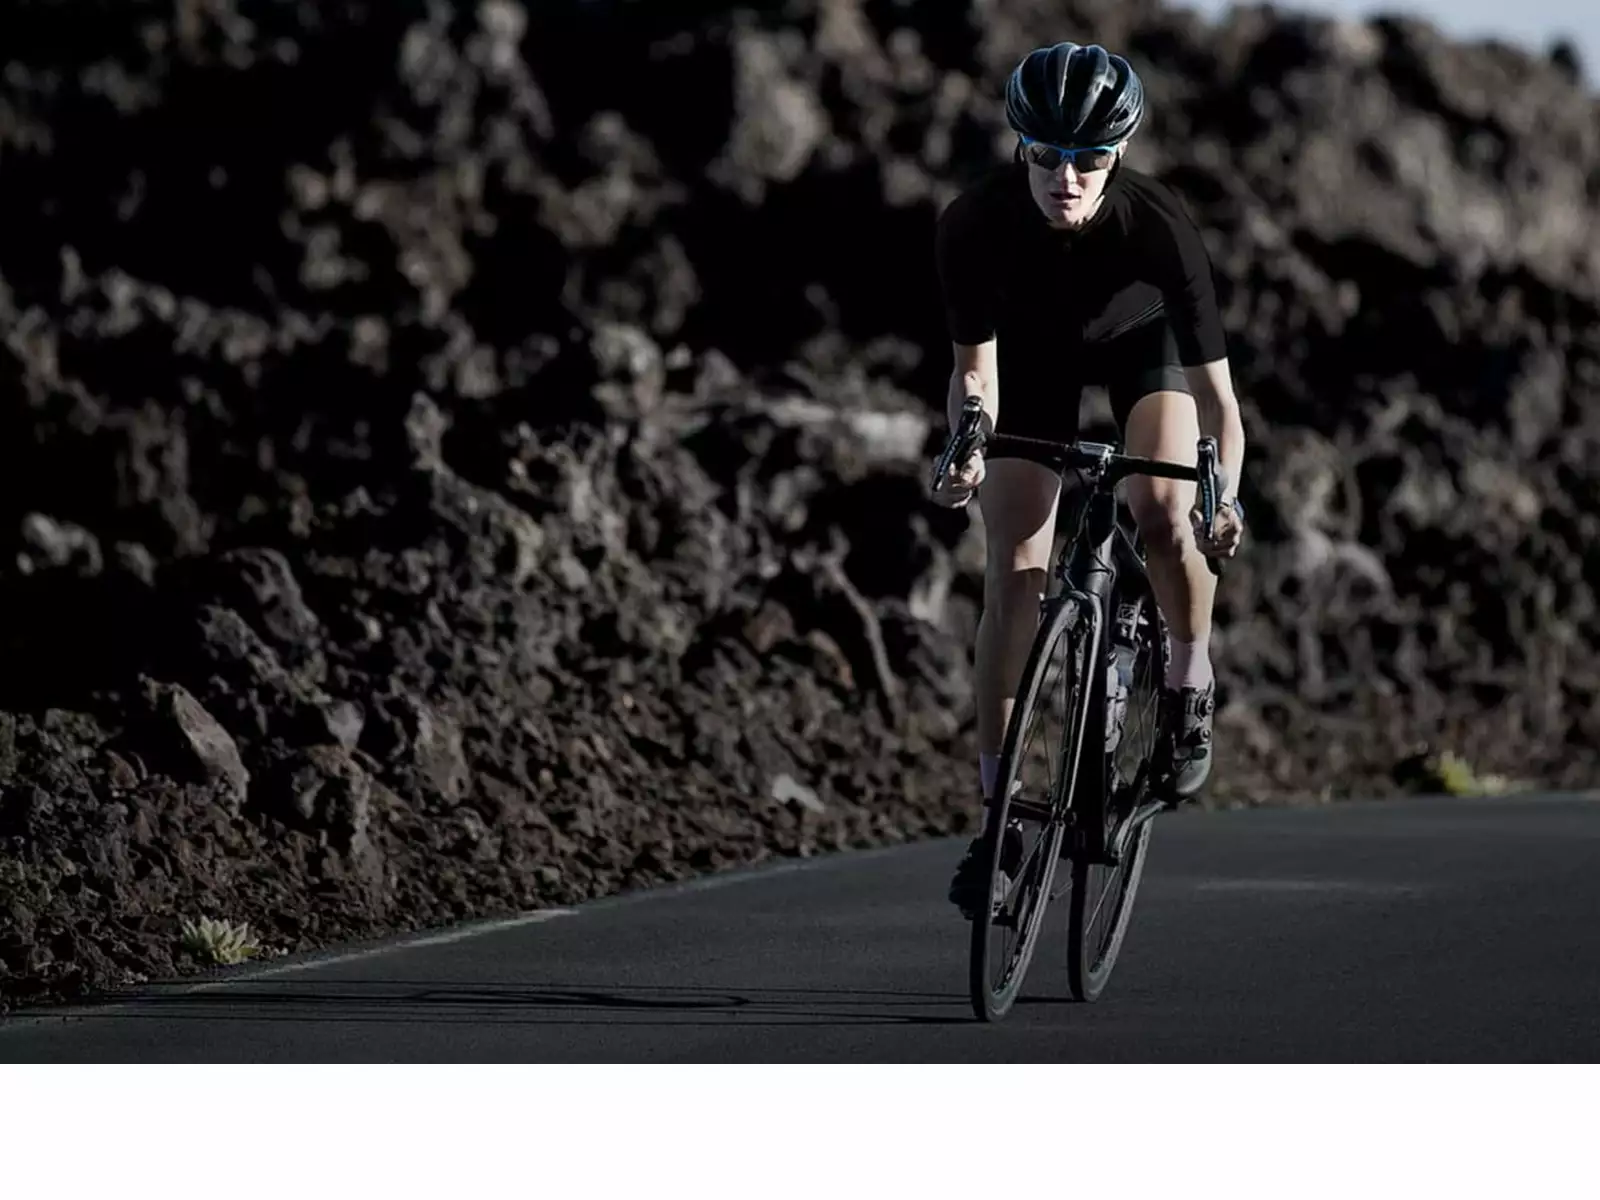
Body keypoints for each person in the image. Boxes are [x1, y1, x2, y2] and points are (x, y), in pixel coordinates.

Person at [929, 41, 1248, 919]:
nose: (1066, 178)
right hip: (1030, 362)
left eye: (1091, 158)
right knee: (1014, 569)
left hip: (1142, 347)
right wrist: (966, 445)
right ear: (1020, 146)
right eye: (1046, 155)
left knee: (1164, 510)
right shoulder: (974, 222)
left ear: (1120, 154)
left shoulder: (1160, 226)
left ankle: (1188, 678)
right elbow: (975, 374)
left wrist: (1225, 500)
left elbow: (1219, 404)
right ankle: (999, 823)